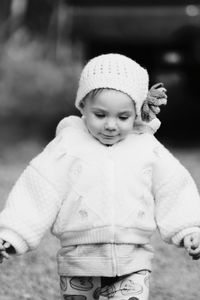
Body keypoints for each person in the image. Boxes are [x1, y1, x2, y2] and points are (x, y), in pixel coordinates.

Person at [0, 53, 200, 300]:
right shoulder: (67, 147)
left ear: (137, 111)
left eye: (123, 117)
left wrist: (190, 228)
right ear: (82, 105)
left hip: (133, 261)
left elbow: (174, 187)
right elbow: (38, 187)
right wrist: (12, 233)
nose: (111, 125)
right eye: (101, 114)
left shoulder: (147, 148)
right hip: (78, 261)